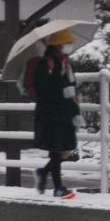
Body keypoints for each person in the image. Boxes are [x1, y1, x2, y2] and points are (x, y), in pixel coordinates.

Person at [33, 29, 81, 198]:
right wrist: (62, 92)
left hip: (65, 112)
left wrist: (74, 107)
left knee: (66, 149)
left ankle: (43, 172)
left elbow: (71, 87)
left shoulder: (66, 64)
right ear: (58, 45)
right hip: (51, 114)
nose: (69, 46)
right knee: (56, 149)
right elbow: (43, 90)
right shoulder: (45, 64)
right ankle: (58, 187)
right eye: (67, 43)